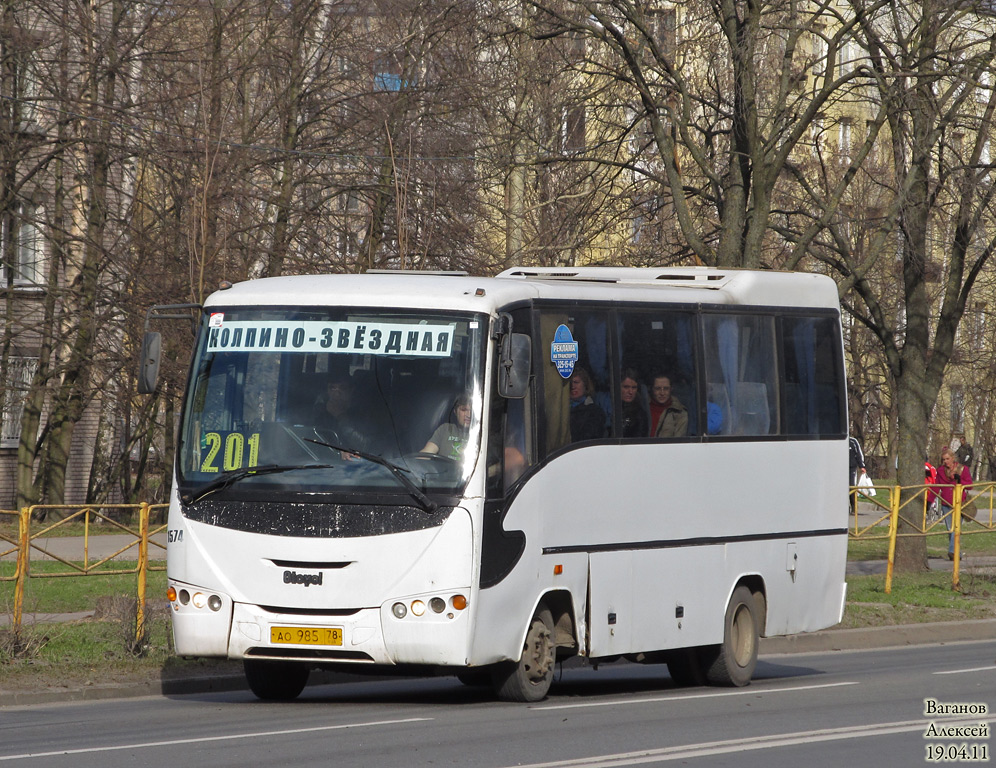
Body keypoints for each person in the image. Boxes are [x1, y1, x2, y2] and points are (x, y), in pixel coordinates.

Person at [934, 447, 973, 560]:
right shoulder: (940, 471)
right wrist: (929, 501)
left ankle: (952, 551)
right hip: (946, 503)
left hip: (959, 502)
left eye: (947, 459)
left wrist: (959, 479)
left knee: (956, 528)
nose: (945, 461)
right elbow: (935, 487)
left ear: (953, 458)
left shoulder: (962, 469)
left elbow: (970, 485)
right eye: (943, 459)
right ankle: (957, 554)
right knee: (950, 529)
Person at [311, 370, 365, 448]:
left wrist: (341, 417)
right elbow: (311, 437)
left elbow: (364, 446)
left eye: (342, 388)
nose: (336, 394)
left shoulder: (363, 413)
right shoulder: (320, 411)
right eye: (332, 388)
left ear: (351, 390)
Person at [569, 367, 606, 442]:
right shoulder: (560, 411)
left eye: (576, 382)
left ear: (585, 385)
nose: (572, 387)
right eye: (570, 383)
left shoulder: (595, 412)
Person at [649, 374, 687, 438]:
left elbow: (678, 442)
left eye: (666, 389)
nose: (662, 393)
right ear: (652, 389)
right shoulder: (643, 409)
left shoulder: (680, 413)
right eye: (658, 389)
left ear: (671, 389)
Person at [619, 368, 648, 438]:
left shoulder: (640, 415)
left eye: (634, 388)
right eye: (626, 387)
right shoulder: (608, 408)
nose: (630, 392)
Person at [848, 436, 866, 515]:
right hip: (839, 467)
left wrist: (861, 466)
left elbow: (858, 453)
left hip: (851, 468)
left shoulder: (852, 441)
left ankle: (853, 507)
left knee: (851, 487)